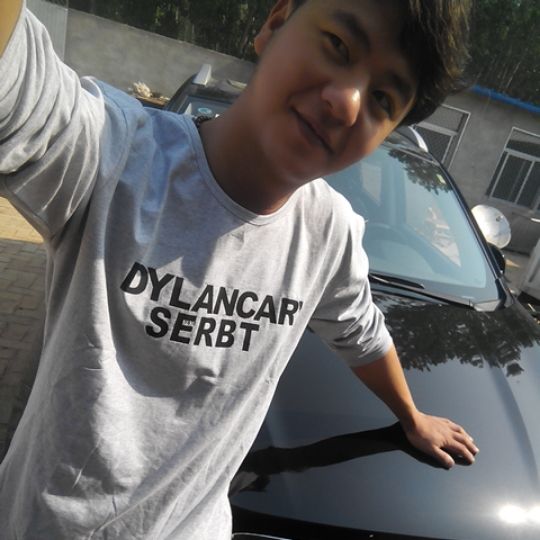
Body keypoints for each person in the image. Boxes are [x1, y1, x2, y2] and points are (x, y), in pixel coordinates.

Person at [0, 0, 478, 538]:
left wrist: (412, 417)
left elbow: (361, 334)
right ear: (274, 23)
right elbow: (18, 83)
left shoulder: (329, 233)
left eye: (383, 99)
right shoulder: (116, 154)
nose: (347, 103)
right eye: (338, 46)